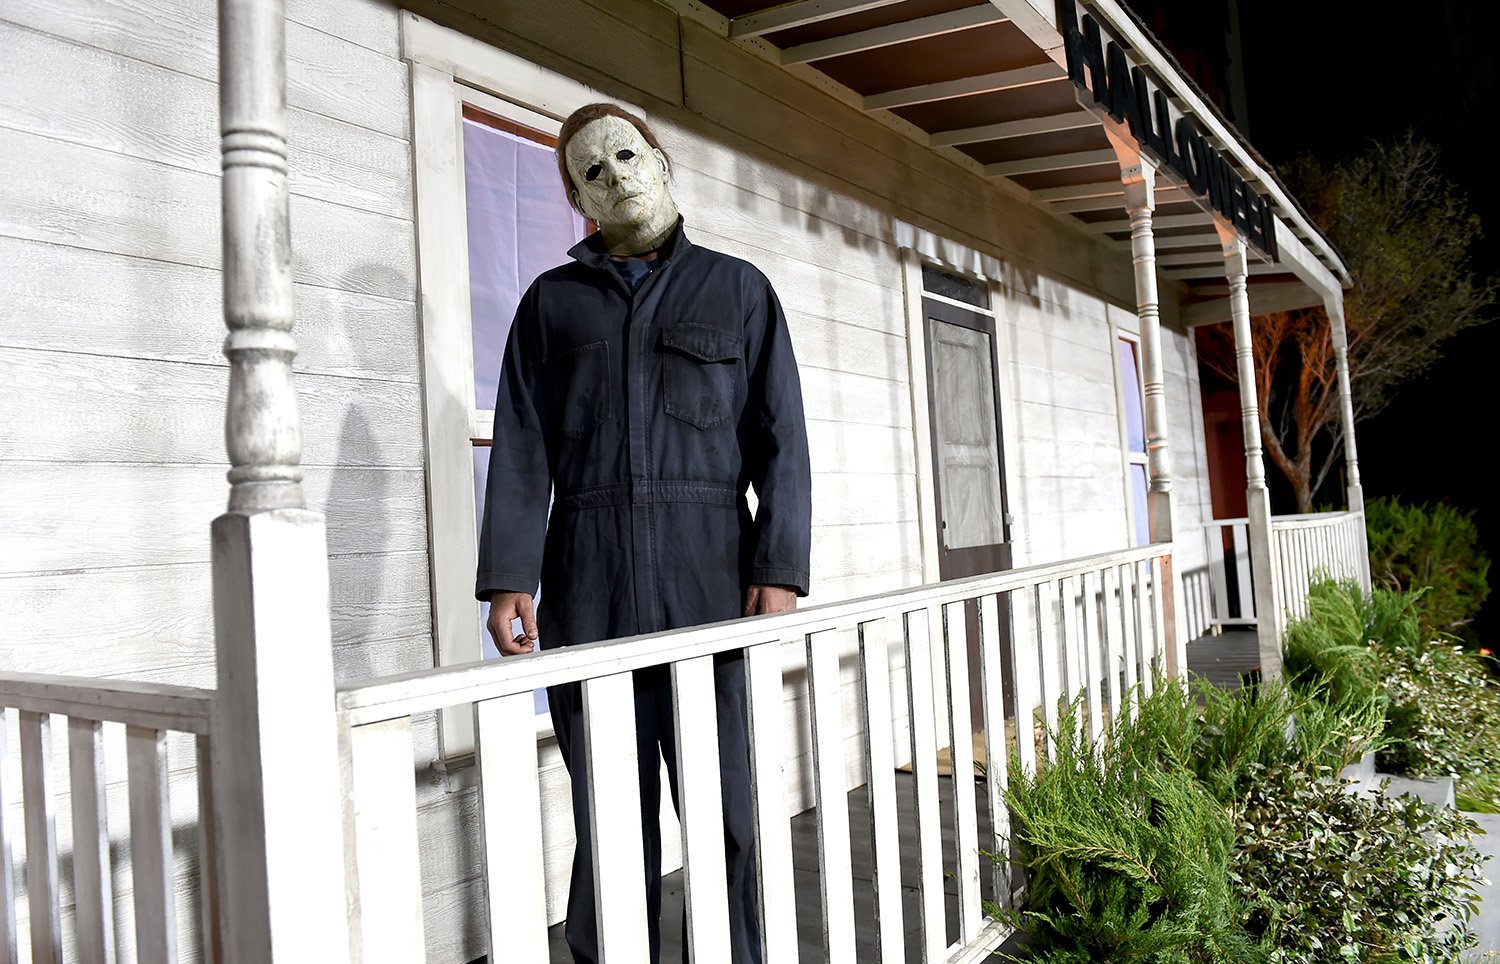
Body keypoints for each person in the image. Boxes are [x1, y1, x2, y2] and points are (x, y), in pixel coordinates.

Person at [476, 102, 812, 964]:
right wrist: (511, 572)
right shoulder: (551, 307)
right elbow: (519, 441)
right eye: (593, 170)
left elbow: (781, 437)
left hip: (711, 576)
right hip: (590, 585)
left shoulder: (738, 292)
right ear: (578, 202)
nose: (616, 174)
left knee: (727, 810)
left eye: (627, 154)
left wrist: (779, 565)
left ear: (660, 158)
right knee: (611, 818)